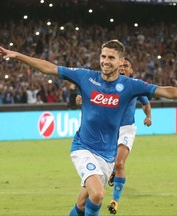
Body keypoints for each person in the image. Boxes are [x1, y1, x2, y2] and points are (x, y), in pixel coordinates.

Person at [0, 39, 177, 216]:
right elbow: (49, 68)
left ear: (120, 61)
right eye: (103, 56)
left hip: (108, 155)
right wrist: (17, 55)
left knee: (82, 204)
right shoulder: (85, 77)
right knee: (98, 194)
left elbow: (167, 91)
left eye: (111, 58)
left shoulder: (130, 85)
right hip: (83, 147)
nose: (105, 61)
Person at [75, 57, 152, 214]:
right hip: (107, 131)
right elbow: (95, 100)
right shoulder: (107, 85)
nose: (123, 68)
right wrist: (83, 100)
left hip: (126, 128)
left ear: (131, 70)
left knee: (119, 163)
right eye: (121, 65)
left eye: (126, 66)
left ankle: (115, 201)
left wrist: (148, 116)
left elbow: (145, 103)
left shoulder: (134, 86)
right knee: (84, 197)